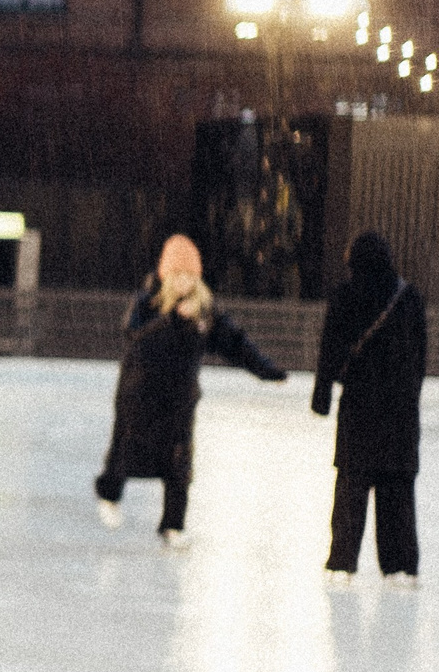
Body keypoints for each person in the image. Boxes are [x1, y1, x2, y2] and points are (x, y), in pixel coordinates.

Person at [94, 233, 287, 546]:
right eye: (177, 275)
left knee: (179, 460)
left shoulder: (204, 312)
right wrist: (170, 320)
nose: (183, 282)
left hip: (180, 400)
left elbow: (235, 343)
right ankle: (110, 495)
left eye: (189, 276)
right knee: (125, 451)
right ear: (166, 276)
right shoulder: (149, 302)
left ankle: (173, 526)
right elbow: (135, 337)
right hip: (139, 396)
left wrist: (266, 370)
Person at [311, 229, 425, 586]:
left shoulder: (345, 295)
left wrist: (322, 396)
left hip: (359, 408)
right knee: (396, 491)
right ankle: (400, 567)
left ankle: (342, 563)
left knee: (351, 489)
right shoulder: (409, 298)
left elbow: (330, 347)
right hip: (399, 414)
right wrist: (410, 394)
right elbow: (420, 354)